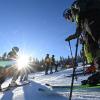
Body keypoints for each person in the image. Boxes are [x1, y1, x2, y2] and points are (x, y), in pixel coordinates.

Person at [64, 0, 100, 85]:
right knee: (93, 47)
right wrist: (77, 36)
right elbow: (82, 29)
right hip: (91, 18)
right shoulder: (80, 18)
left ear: (69, 14)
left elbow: (81, 6)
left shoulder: (75, 7)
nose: (70, 20)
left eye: (68, 18)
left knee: (97, 38)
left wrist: (77, 34)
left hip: (93, 16)